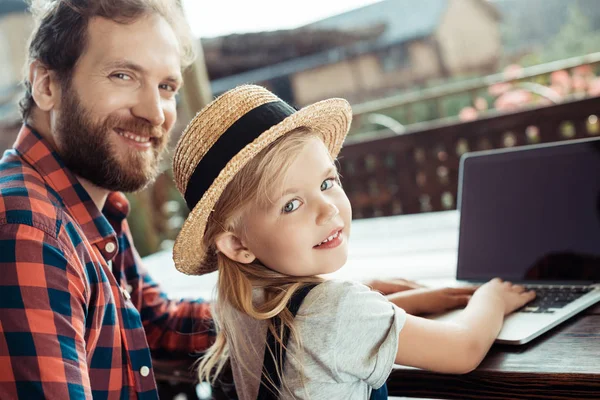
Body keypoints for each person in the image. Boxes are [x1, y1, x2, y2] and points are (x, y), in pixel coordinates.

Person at [0, 1, 472, 398]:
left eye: (166, 86)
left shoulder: (84, 212)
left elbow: (159, 323)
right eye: (123, 75)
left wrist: (312, 307)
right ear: (46, 85)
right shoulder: (31, 232)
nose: (154, 111)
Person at [170, 85, 537, 399]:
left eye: (327, 183)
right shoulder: (339, 310)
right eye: (291, 204)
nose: (327, 210)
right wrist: (493, 298)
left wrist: (395, 302)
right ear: (237, 245)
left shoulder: (240, 305)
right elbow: (463, 348)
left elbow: (312, 329)